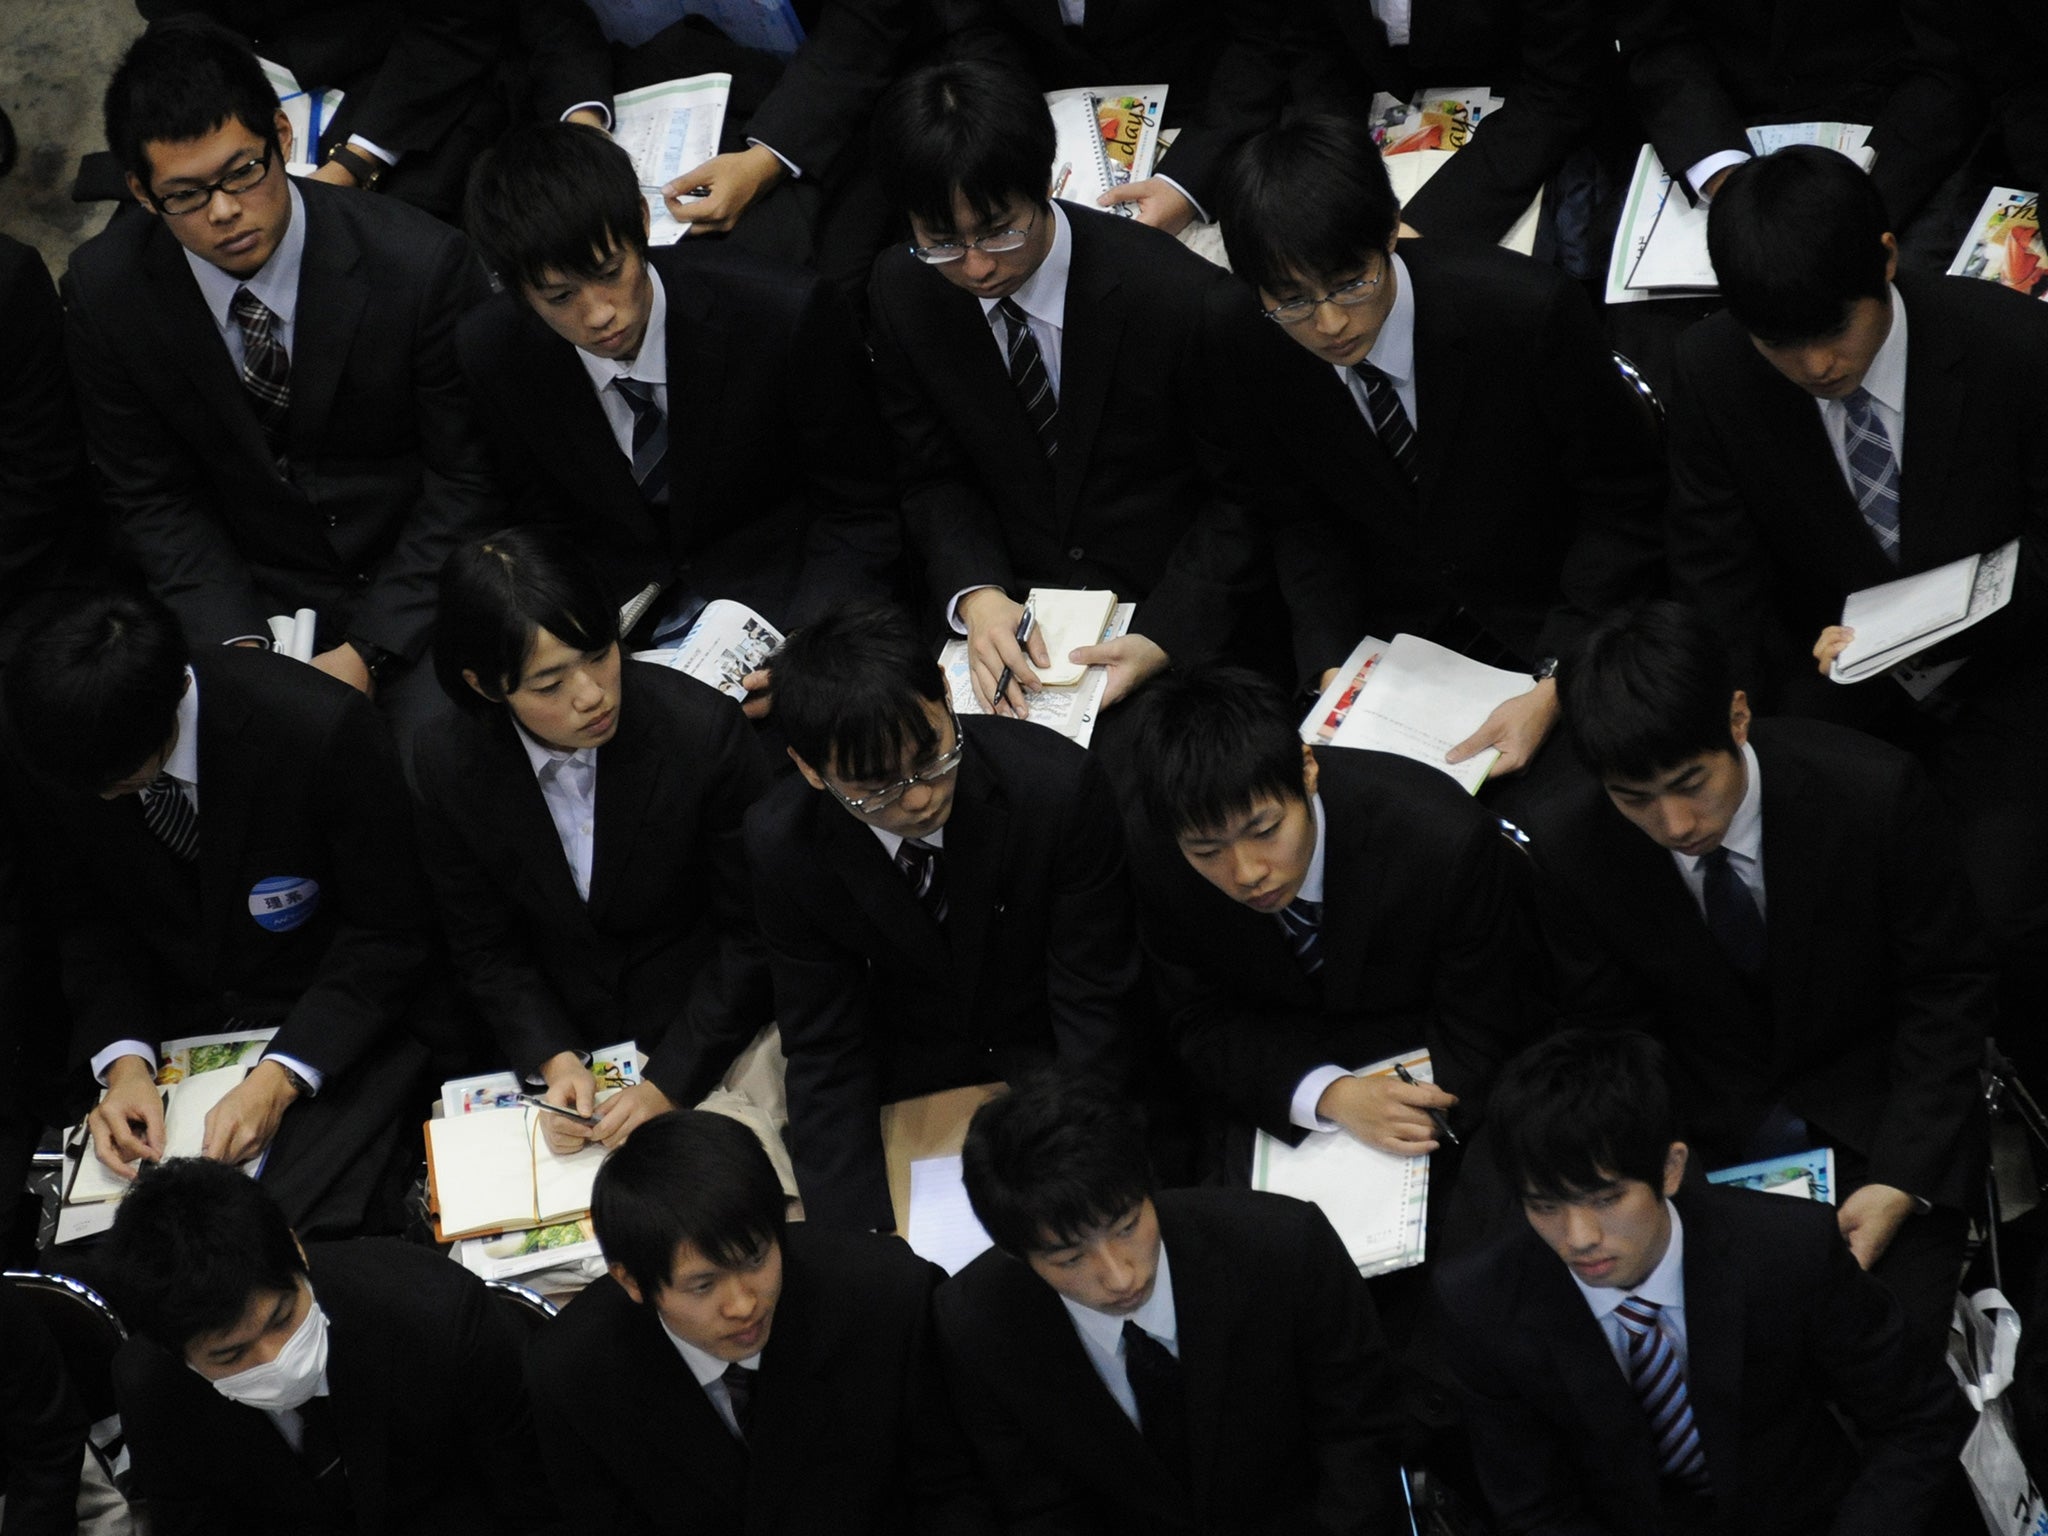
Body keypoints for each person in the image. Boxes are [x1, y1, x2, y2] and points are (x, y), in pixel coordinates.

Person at [1667, 144, 2048, 1071]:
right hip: (1828, 690)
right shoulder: (1714, 372)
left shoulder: (2012, 348)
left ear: (1884, 257)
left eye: (1832, 331)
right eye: (1778, 345)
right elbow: (1717, 577)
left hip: (2012, 675)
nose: (1814, 365)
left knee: (2004, 914)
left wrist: (1954, 613)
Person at [1535, 600, 1989, 1357]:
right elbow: (1613, 1036)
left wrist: (1902, 1179)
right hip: (1705, 1146)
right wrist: (1679, 1189)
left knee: (1889, 1348)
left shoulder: (1872, 793)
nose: (1676, 824)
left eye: (1690, 783)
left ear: (1738, 717)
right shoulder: (1570, 847)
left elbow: (1945, 993)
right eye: (1634, 798)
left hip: (1882, 1119)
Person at [64, 20, 496, 729]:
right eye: (187, 195)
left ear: (283, 138)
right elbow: (150, 494)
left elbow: (467, 480)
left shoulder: (420, 265)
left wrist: (370, 649)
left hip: (418, 587)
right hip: (247, 592)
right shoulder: (105, 291)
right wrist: (239, 645)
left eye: (244, 172)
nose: (226, 211)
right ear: (141, 193)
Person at [1210, 113, 1664, 786]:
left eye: (1350, 283)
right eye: (1293, 301)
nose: (1329, 323)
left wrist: (1558, 679)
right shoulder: (1250, 345)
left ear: (1390, 230)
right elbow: (1300, 521)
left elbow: (1625, 505)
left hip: (1562, 625)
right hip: (1401, 659)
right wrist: (1336, 667)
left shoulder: (1524, 315)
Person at [1, 591, 435, 1237]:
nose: (100, 796)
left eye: (122, 778)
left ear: (174, 693)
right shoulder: (57, 748)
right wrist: (124, 1065)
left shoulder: (316, 728)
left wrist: (280, 1079)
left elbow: (389, 931)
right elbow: (89, 922)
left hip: (324, 1028)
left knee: (301, 1236)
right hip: (173, 1036)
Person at [1435, 1028, 1973, 1536]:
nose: (1578, 1237)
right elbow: (1536, 1510)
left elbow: (1919, 1417)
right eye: (1545, 1205)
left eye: (1605, 1200)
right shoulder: (1482, 1304)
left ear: (1670, 1170)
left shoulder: (1787, 1250)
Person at [866, 59, 1260, 725]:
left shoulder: (1178, 299)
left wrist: (1166, 633)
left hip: (1167, 616)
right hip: (1010, 620)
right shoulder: (904, 290)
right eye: (940, 242)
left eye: (998, 230)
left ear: (1044, 183)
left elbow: (1245, 495)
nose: (977, 265)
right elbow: (931, 474)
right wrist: (977, 592)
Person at [460, 118, 901, 684]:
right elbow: (536, 520)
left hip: (789, 610)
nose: (598, 314)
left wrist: (811, 642)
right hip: (618, 637)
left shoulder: (782, 315)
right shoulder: (495, 351)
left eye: (609, 272)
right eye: (560, 296)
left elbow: (859, 507)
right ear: (517, 289)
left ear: (641, 224)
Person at [745, 602, 1136, 1231]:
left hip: (1051, 1065)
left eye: (932, 756)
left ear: (946, 694)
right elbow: (825, 1048)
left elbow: (1094, 1002)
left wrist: (1082, 1165)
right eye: (876, 786)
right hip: (908, 1085)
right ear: (809, 770)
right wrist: (861, 1244)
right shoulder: (785, 846)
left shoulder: (1056, 791)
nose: (921, 796)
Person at [413, 528, 774, 1152]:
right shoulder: (447, 760)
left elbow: (753, 935)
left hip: (701, 1030)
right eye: (550, 685)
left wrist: (669, 1081)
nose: (592, 695)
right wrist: (552, 1057)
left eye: (600, 653)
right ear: (484, 686)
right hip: (555, 1037)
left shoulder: (700, 735)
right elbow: (483, 944)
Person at [1127, 665, 1543, 1203]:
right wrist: (1331, 1095)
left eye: (1265, 831)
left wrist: (1417, 1115)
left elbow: (1487, 1022)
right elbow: (1198, 1018)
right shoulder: (1155, 849)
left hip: (1438, 1079)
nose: (1247, 872)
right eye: (1208, 851)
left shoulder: (1440, 841)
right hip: (1279, 1091)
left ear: (1306, 770)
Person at [937, 1071, 1407, 1534]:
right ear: (1017, 1254)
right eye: (1070, 1258)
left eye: (1127, 1227)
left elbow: (1362, 1439)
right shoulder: (978, 1326)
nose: (1119, 1277)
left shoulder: (1284, 1248)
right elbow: (1038, 1507)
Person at [526, 1109, 992, 1532]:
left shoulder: (886, 1296)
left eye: (754, 1259)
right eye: (703, 1286)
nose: (743, 1305)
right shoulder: (573, 1374)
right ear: (631, 1282)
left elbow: (951, 1492)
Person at [102, 1156, 548, 1536]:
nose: (276, 1360)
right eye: (231, 1355)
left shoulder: (439, 1317)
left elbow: (529, 1499)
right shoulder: (152, 1390)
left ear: (297, 1250)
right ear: (176, 1354)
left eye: (282, 1318)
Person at [513, 0, 939, 300]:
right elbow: (549, 18)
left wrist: (767, 159)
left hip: (818, 98)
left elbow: (869, 20)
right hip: (630, 96)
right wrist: (584, 127)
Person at [934, 0, 1291, 235]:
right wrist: (1015, 140)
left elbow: (1260, 39)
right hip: (1041, 142)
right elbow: (977, 29)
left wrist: (1186, 185)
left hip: (1204, 134)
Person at [1617, 0, 1975, 234]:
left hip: (1892, 135)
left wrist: (1860, 202)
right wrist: (1727, 180)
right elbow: (1657, 45)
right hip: (1722, 121)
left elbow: (1946, 58)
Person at [132, 0, 510, 221]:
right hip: (237, 71)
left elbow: (459, 20)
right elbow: (172, 12)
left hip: (404, 89)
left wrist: (356, 162)